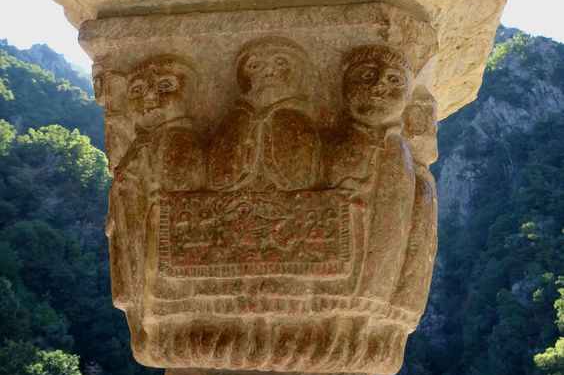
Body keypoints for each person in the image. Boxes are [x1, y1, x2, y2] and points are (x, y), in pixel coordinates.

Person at [106, 55, 204, 347]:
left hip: (159, 240)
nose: (150, 97)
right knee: (134, 290)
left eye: (165, 86)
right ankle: (146, 327)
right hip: (132, 229)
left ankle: (157, 327)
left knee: (150, 295)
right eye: (136, 91)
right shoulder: (144, 141)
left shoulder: (179, 138)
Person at [323, 44, 416, 303]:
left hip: (376, 272)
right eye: (367, 76)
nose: (378, 87)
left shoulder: (397, 147)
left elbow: (398, 216)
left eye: (394, 80)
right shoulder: (339, 140)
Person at [208, 36, 320, 191]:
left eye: (281, 63)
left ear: (300, 72)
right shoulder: (232, 122)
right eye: (255, 66)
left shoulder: (298, 121)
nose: (268, 71)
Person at [393, 86, 438, 318]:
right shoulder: (403, 167)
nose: (429, 121)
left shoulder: (419, 175)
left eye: (431, 114)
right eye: (420, 111)